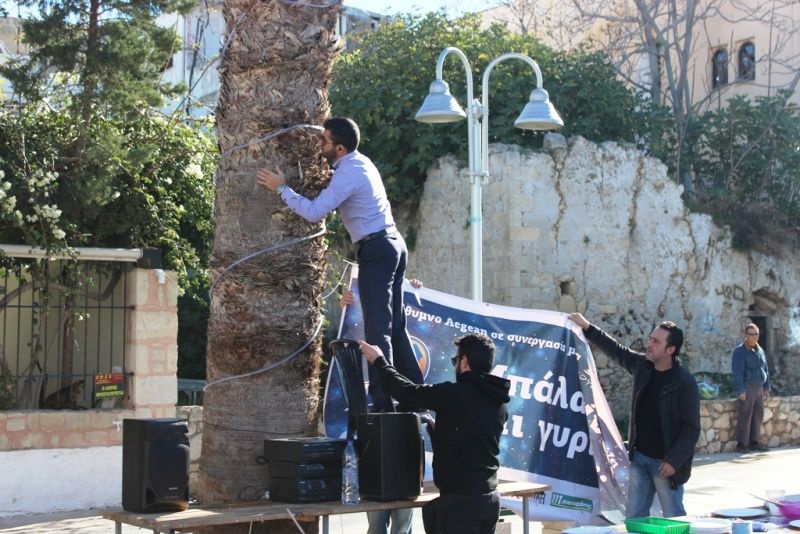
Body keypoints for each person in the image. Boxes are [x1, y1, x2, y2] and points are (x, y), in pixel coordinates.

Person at [257, 117, 423, 411]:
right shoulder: (360, 162)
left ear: (341, 148)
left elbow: (314, 211)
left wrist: (282, 188)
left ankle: (382, 405)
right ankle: (416, 394)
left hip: (378, 249)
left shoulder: (348, 174)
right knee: (395, 328)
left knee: (378, 331)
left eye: (324, 141)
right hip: (394, 245)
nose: (319, 146)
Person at [359, 333, 510, 534]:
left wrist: (380, 361)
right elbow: (473, 438)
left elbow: (406, 391)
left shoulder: (454, 394)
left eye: (456, 360)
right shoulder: (499, 403)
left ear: (464, 362)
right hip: (489, 499)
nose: (455, 365)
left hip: (460, 503)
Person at [567, 313, 700, 518]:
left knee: (674, 518)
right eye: (650, 338)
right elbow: (616, 350)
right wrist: (587, 327)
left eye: (656, 341)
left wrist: (674, 461)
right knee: (634, 518)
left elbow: (691, 429)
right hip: (640, 459)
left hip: (666, 464)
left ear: (671, 350)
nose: (649, 343)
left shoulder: (684, 382)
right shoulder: (643, 367)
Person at [339, 280, 421, 534]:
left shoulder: (404, 357)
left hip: (404, 442)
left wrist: (415, 291)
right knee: (377, 522)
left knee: (401, 521)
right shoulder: (373, 343)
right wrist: (344, 307)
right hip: (377, 436)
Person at [731, 323, 771, 453]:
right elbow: (737, 372)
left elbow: (765, 370)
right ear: (746, 336)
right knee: (745, 415)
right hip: (747, 387)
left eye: (756, 334)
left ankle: (754, 442)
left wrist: (766, 387)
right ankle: (742, 444)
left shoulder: (760, 350)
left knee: (758, 414)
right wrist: (741, 390)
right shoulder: (740, 351)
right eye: (751, 334)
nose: (754, 337)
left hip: (759, 386)